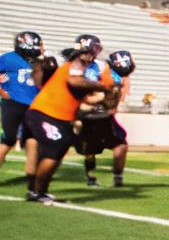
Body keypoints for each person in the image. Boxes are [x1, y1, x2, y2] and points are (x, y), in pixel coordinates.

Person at [23, 34, 114, 204]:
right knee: (53, 150)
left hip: (58, 117)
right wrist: (102, 86)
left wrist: (104, 97)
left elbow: (86, 98)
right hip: (47, 113)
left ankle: (39, 190)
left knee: (57, 151)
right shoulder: (75, 65)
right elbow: (74, 81)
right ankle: (35, 191)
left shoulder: (82, 73)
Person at [0, 31, 43, 183]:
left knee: (32, 139)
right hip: (13, 103)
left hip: (34, 105)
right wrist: (1, 92)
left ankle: (31, 175)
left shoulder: (40, 61)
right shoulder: (8, 58)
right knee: (9, 139)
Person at [78, 49, 135, 188]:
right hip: (94, 114)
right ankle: (112, 177)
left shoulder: (104, 70)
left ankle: (101, 177)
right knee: (99, 145)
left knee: (110, 144)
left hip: (98, 114)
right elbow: (104, 99)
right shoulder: (109, 75)